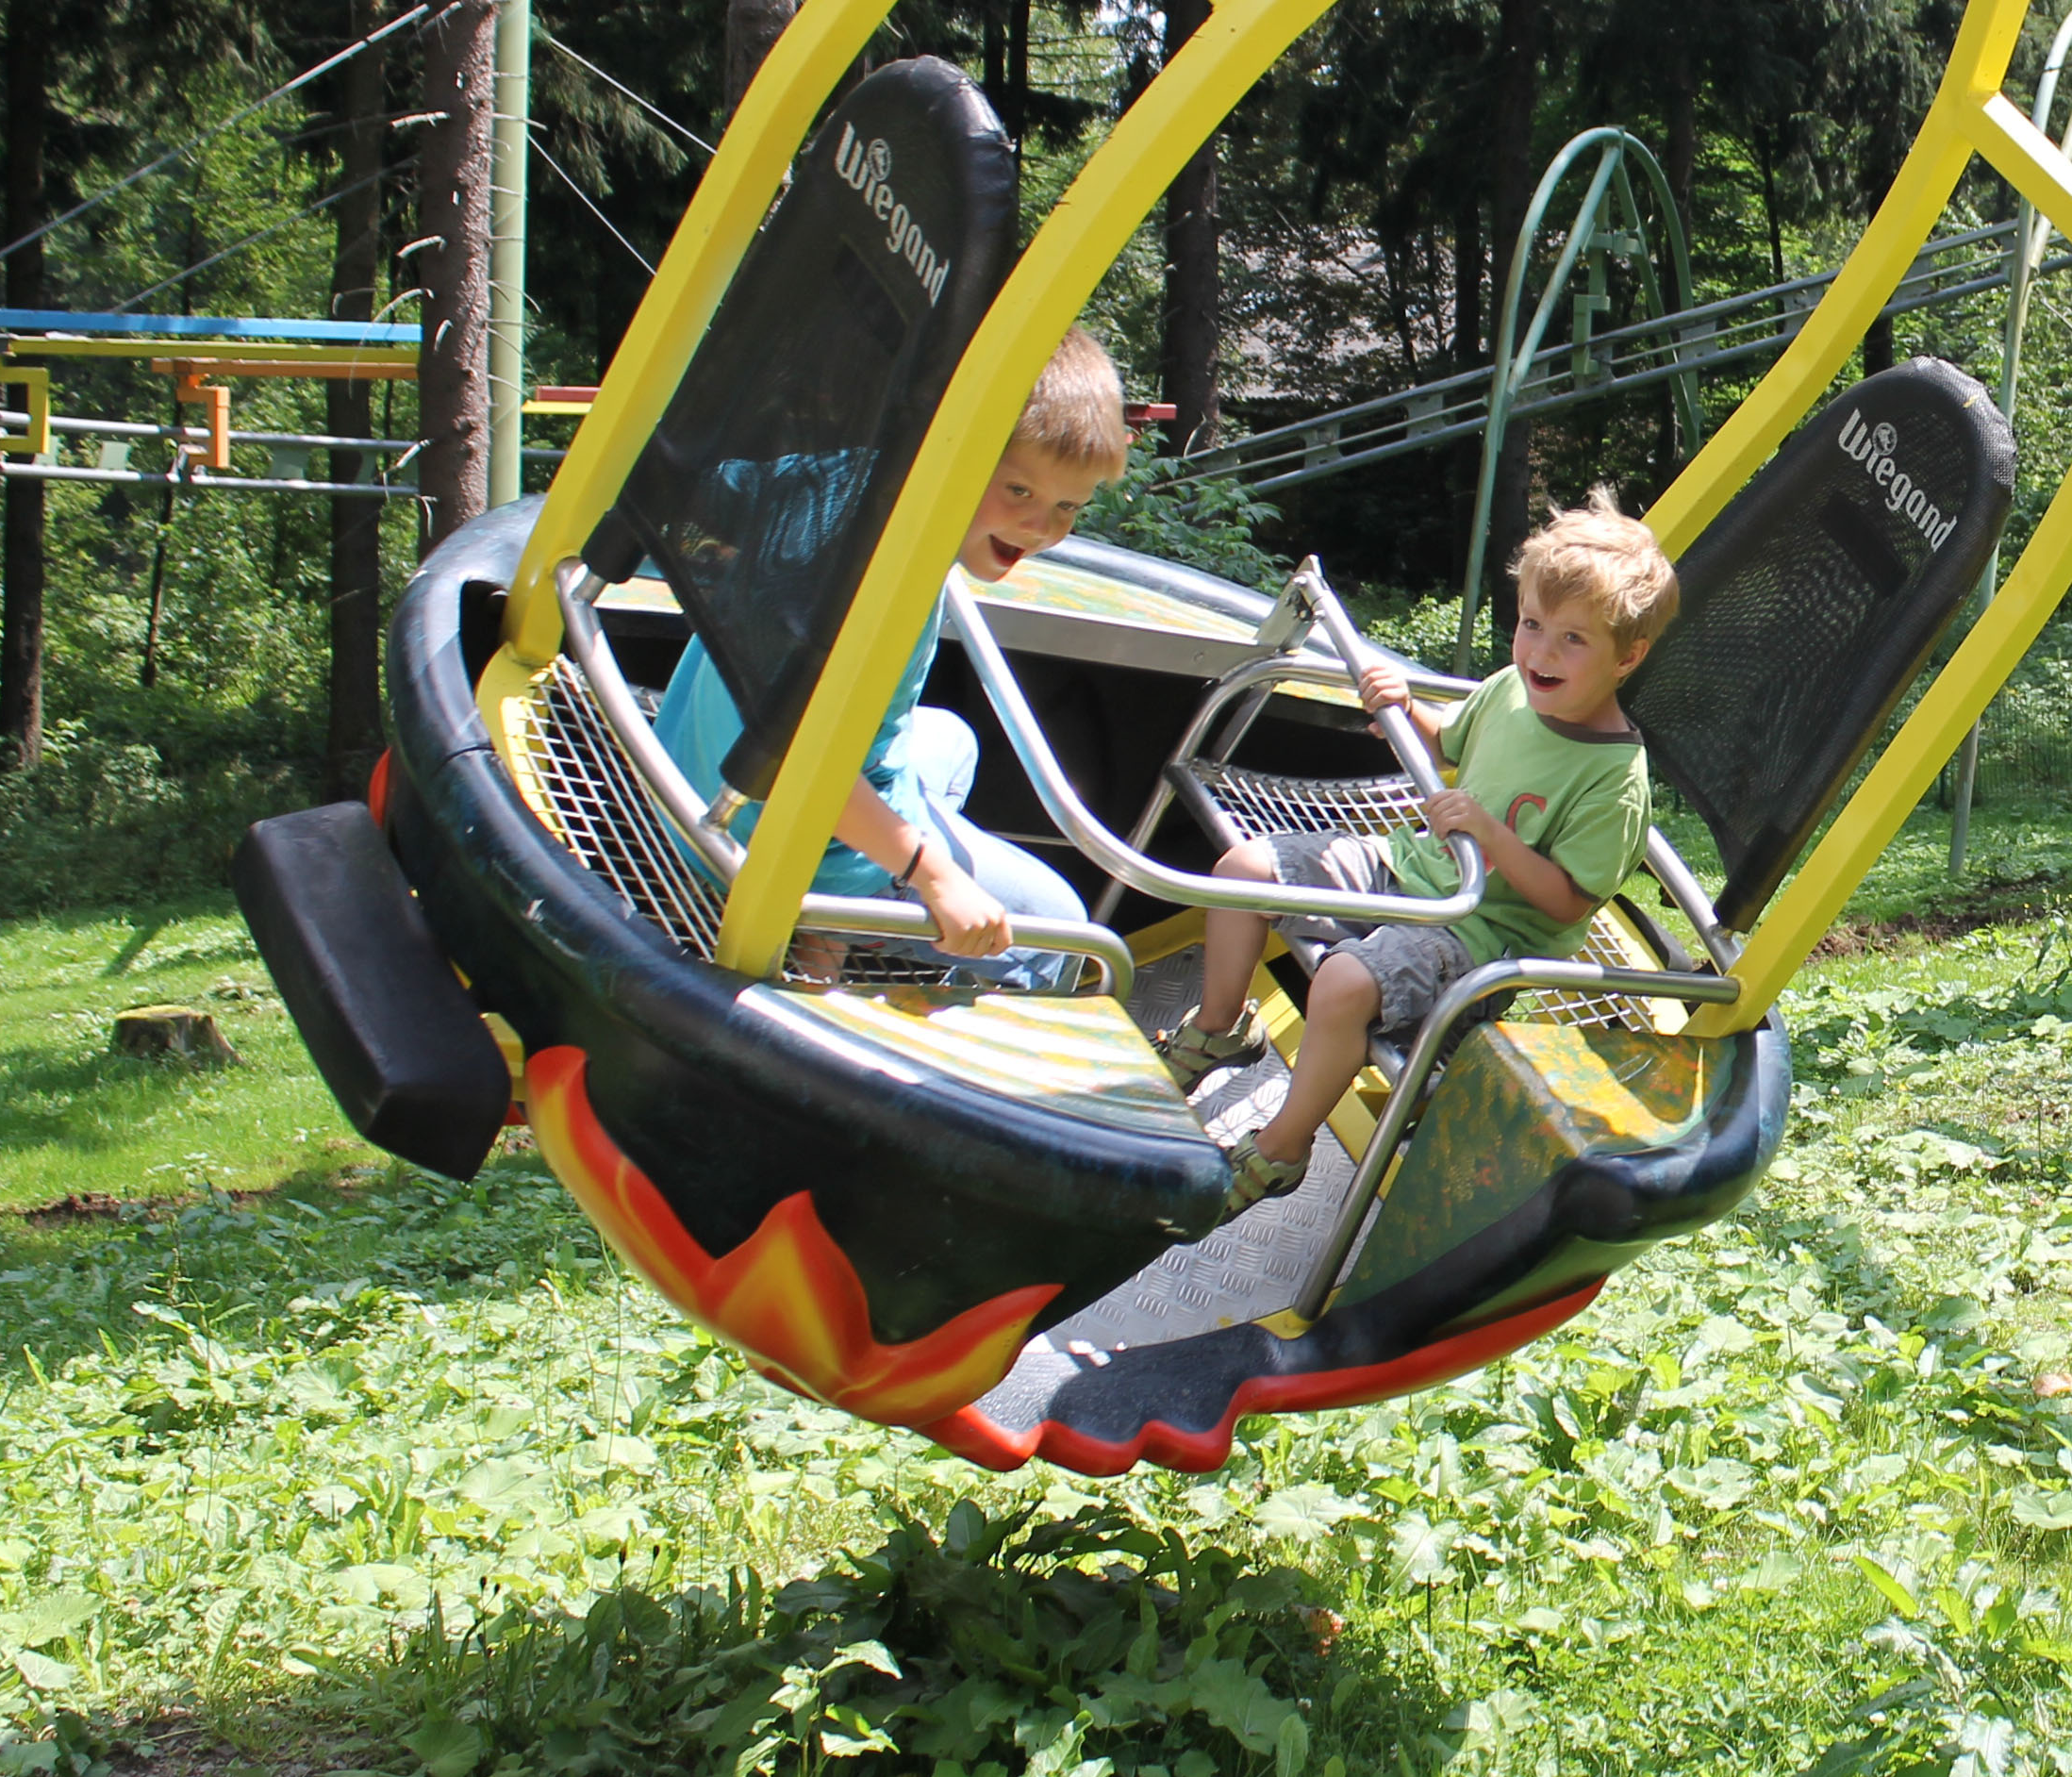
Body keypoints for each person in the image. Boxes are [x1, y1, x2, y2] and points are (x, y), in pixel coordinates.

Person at [1159, 491, 1678, 1197]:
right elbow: (1450, 739)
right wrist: (1406, 707)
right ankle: (1221, 1027)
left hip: (1478, 933)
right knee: (1243, 869)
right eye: (1531, 624)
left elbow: (1565, 904)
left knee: (1342, 983)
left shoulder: (1613, 779)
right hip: (1412, 869)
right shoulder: (1511, 690)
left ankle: (1281, 1150)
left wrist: (1488, 833)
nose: (1541, 652)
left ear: (1629, 656)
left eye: (1573, 640)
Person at [654, 330, 1130, 987]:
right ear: (955, 447)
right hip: (774, 845)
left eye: (1068, 506)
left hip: (692, 773)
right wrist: (935, 877)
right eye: (1019, 491)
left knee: (952, 738)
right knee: (1060, 930)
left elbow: (710, 497)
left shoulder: (840, 483)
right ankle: (867, 1004)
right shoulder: (885, 591)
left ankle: (836, 936)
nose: (1041, 527)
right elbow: (803, 767)